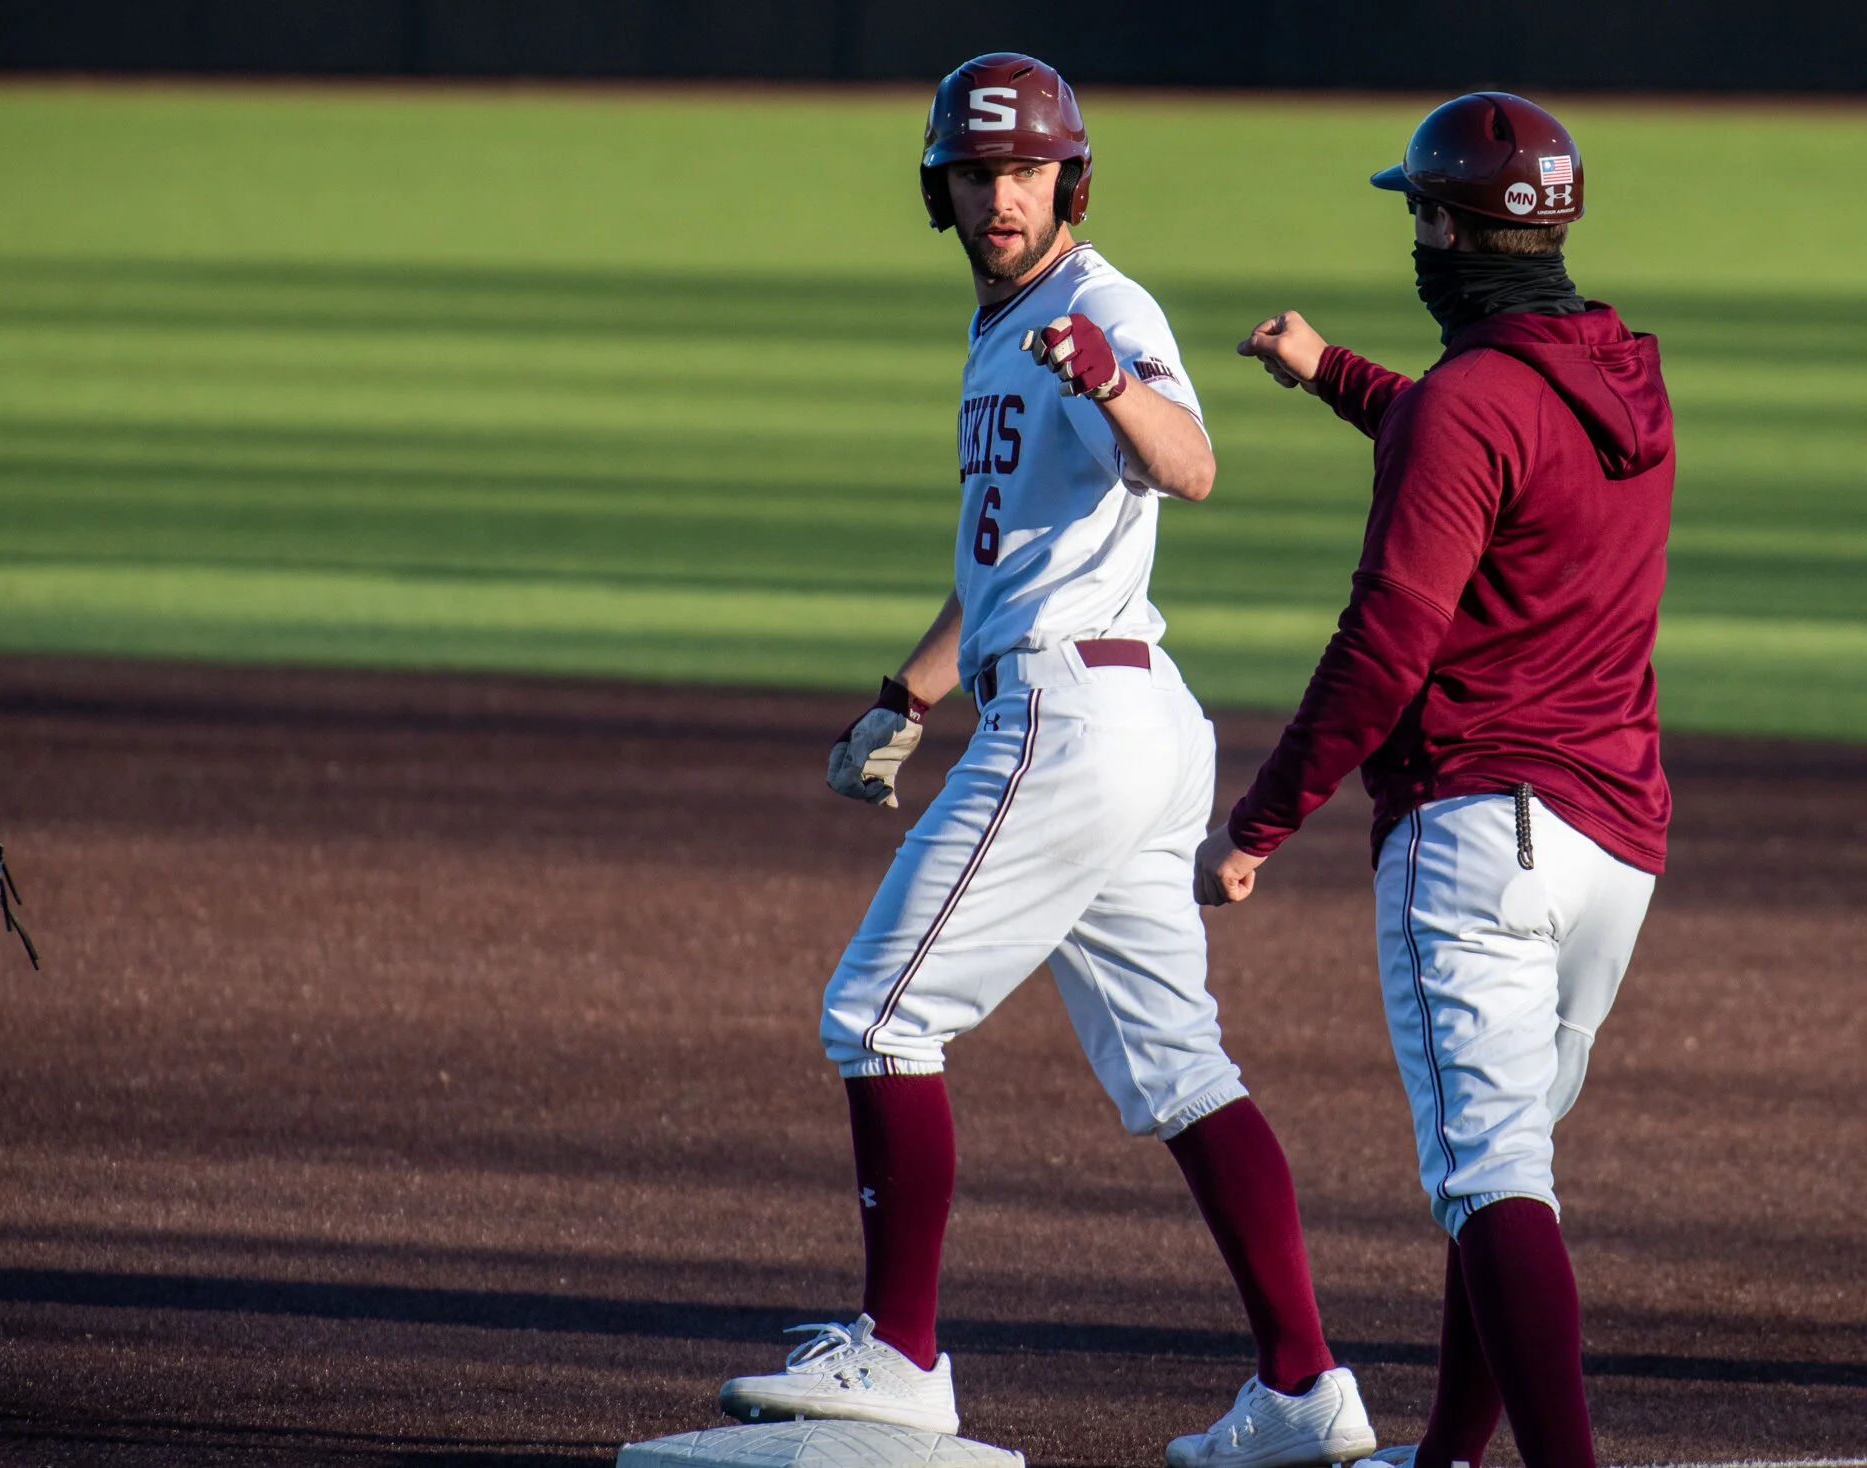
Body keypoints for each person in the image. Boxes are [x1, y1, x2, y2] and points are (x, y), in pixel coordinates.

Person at [716, 53, 1375, 1465]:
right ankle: (1307, 1385)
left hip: (1077, 726)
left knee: (879, 1014)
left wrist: (1110, 378)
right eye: (977, 171)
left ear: (1069, 180)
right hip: (1114, 715)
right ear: (941, 189)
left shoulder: (1095, 308)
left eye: (1025, 171)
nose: (1001, 194)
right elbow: (1011, 566)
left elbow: (1190, 466)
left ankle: (900, 1358)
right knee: (1179, 1067)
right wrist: (909, 694)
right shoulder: (1001, 324)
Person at [1204, 94, 1674, 1468]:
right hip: (1618, 849)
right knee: (1505, 1168)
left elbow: (1389, 639)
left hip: (1482, 833)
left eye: (1421, 214)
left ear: (1458, 230)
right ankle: (1450, 1458)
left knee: (1493, 1180)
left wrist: (1262, 821)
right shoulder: (1622, 376)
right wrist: (1335, 371)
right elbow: (1481, 448)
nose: (1414, 239)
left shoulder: (1469, 406)